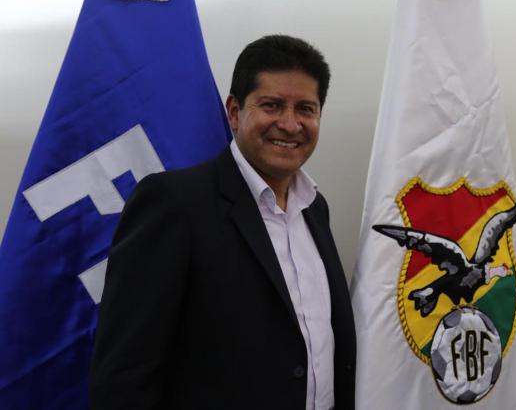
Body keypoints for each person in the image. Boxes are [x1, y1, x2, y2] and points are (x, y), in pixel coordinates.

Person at [90, 35, 356, 410]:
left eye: (306, 109)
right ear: (234, 112)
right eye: (272, 105)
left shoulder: (315, 208)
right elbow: (124, 375)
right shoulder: (173, 204)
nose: (290, 124)